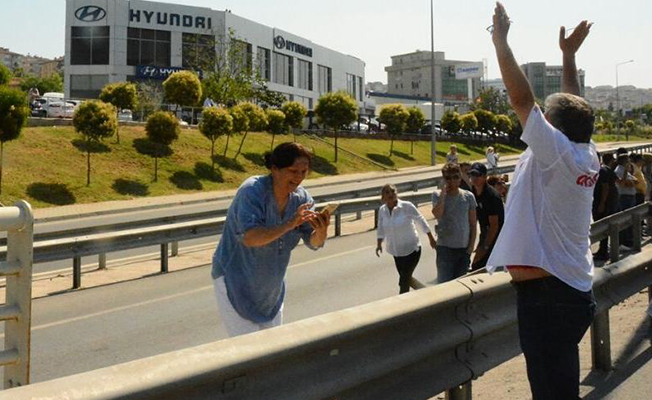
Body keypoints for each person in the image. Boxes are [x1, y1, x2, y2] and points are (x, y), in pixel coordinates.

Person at [486, 4, 599, 399]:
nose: (541, 122)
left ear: (556, 129)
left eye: (547, 119)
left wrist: (501, 42)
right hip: (563, 293)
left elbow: (521, 99)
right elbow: (573, 103)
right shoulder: (584, 152)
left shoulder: (560, 153)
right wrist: (568, 56)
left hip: (549, 299)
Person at [211, 142, 330, 337]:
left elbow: (313, 242)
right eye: (293, 171)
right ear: (275, 168)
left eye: (304, 172)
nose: (299, 178)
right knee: (248, 351)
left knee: (272, 349)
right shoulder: (252, 191)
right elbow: (250, 237)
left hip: (271, 290)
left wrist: (322, 231)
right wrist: (289, 224)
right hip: (236, 281)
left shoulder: (302, 199)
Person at [376, 184, 436, 294]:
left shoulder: (406, 206)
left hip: (412, 250)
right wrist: (379, 243)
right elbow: (381, 227)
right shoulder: (382, 210)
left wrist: (431, 238)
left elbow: (421, 220)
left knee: (403, 281)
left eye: (393, 191)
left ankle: (402, 303)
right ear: (383, 196)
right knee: (406, 279)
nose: (391, 194)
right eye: (387, 192)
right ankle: (424, 293)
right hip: (396, 252)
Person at [432, 163, 477, 282]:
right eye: (448, 178)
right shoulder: (437, 195)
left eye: (455, 177)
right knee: (445, 285)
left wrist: (471, 247)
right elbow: (437, 214)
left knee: (460, 286)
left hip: (463, 249)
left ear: (460, 178)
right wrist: (442, 195)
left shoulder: (468, 197)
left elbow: (473, 223)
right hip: (445, 249)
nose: (452, 181)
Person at [469, 162, 504, 271]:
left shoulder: (491, 196)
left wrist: (485, 246)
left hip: (495, 234)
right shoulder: (473, 191)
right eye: (472, 175)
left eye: (477, 175)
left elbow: (494, 225)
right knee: (476, 265)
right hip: (484, 231)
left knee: (479, 266)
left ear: (484, 177)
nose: (474, 178)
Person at [592, 153, 619, 261]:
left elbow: (605, 187)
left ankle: (603, 252)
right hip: (610, 203)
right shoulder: (608, 170)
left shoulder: (601, 171)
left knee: (601, 226)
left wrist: (602, 203)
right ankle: (602, 250)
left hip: (602, 203)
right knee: (604, 226)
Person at [614, 153, 637, 247]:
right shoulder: (619, 170)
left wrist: (631, 181)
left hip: (630, 197)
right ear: (624, 161)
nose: (629, 162)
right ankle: (624, 242)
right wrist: (628, 180)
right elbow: (623, 183)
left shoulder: (625, 170)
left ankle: (629, 240)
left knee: (630, 220)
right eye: (628, 160)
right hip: (624, 197)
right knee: (625, 220)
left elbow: (635, 181)